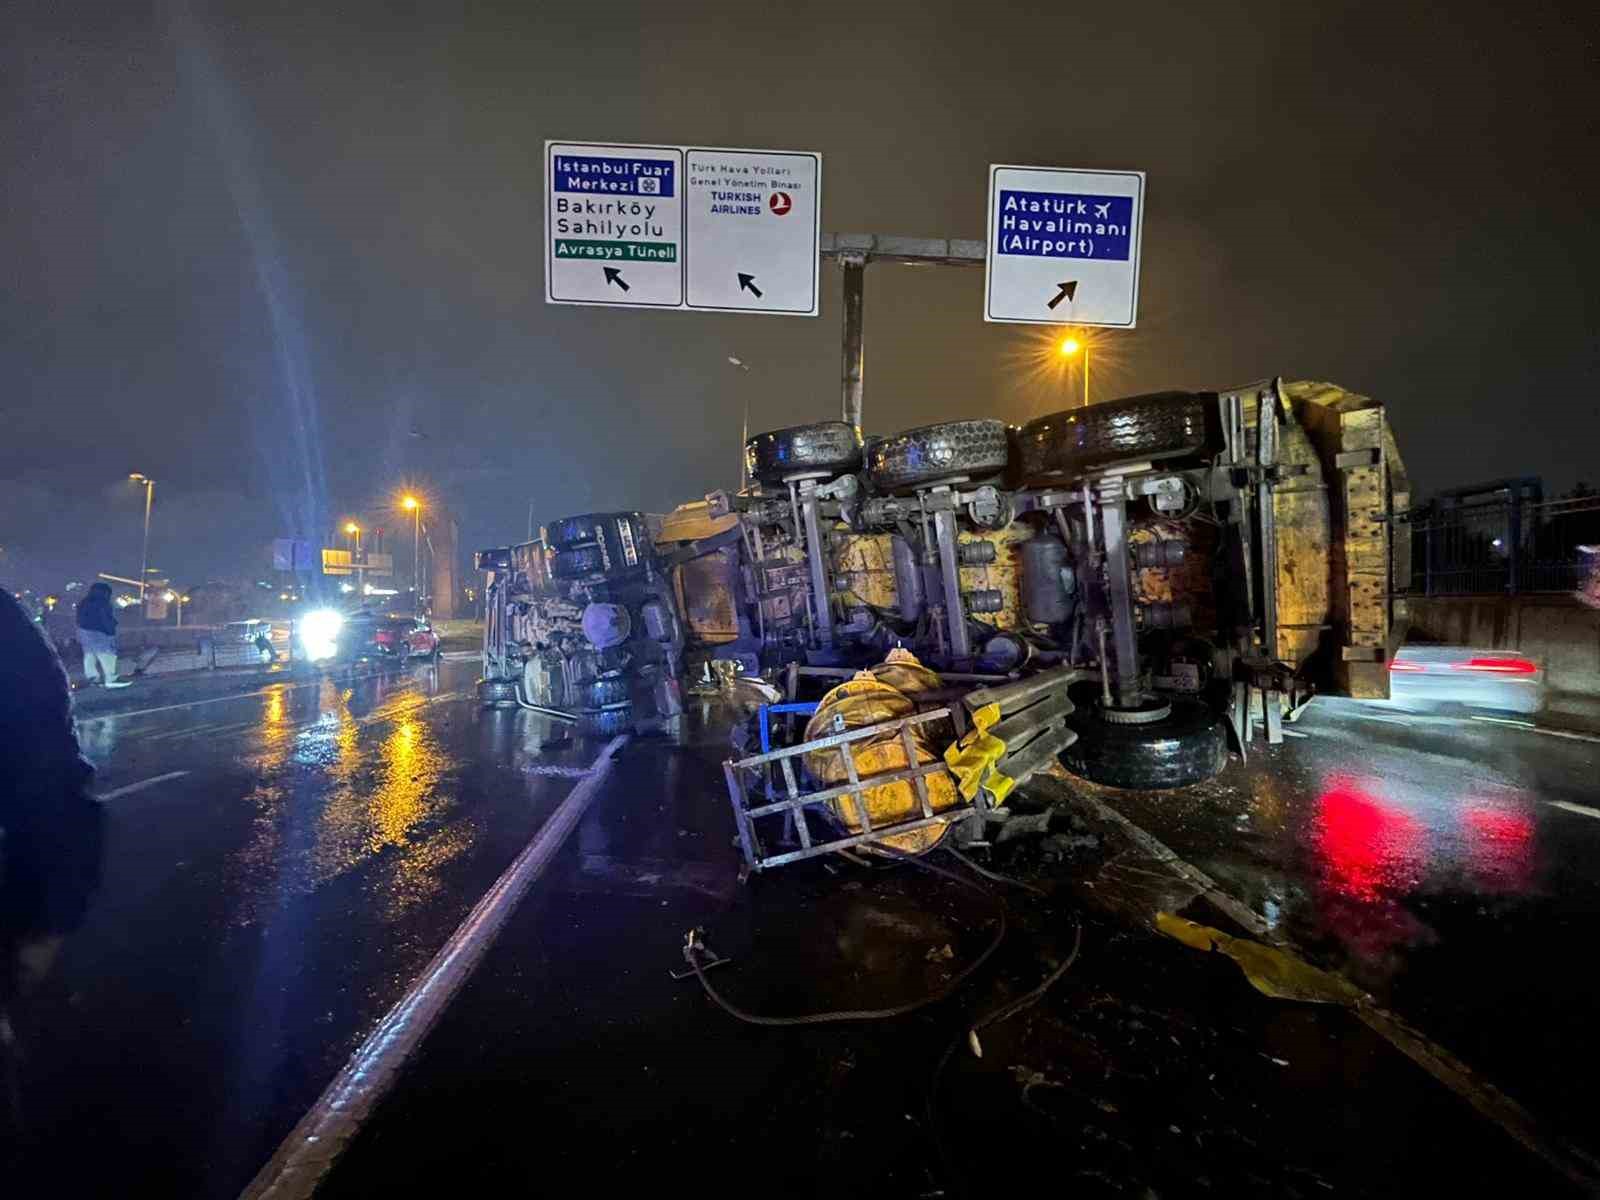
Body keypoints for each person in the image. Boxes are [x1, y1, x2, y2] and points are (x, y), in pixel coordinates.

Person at [74, 582, 127, 688]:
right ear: (105, 592)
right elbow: (105, 618)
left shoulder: (84, 602)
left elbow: (79, 618)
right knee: (107, 655)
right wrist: (111, 630)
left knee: (90, 654)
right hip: (100, 632)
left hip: (84, 631)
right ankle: (111, 678)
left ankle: (93, 678)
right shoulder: (103, 603)